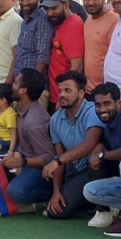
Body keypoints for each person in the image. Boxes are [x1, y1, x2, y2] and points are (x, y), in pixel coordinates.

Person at [80, 83, 121, 236]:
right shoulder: (108, 123)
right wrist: (99, 147)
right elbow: (106, 144)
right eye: (98, 105)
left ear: (118, 103)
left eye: (107, 104)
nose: (102, 109)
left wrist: (102, 156)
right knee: (90, 191)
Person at [40, 71, 105, 219]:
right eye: (60, 90)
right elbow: (59, 156)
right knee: (55, 211)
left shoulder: (92, 112)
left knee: (96, 158)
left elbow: (89, 145)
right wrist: (56, 191)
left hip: (96, 170)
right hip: (74, 172)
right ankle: (87, 202)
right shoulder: (55, 119)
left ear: (81, 93)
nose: (62, 94)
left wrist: (56, 161)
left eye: (68, 91)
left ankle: (102, 205)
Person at [2, 68, 55, 207]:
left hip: (38, 167)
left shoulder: (33, 122)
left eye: (15, 83)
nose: (12, 85)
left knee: (15, 191)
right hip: (24, 155)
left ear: (23, 90)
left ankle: (53, 193)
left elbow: (49, 157)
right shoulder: (20, 107)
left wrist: (22, 162)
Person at [11, 0, 54, 98]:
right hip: (22, 87)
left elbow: (42, 57)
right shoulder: (25, 20)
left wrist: (31, 88)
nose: (24, 3)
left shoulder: (42, 20)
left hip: (33, 91)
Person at [41, 0, 85, 99]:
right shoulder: (61, 23)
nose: (50, 13)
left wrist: (64, 98)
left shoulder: (72, 26)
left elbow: (77, 67)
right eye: (46, 9)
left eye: (54, 8)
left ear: (65, 5)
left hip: (63, 99)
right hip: (56, 94)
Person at [81, 0, 116, 95]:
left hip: (106, 91)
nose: (90, 3)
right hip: (88, 89)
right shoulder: (88, 20)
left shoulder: (114, 21)